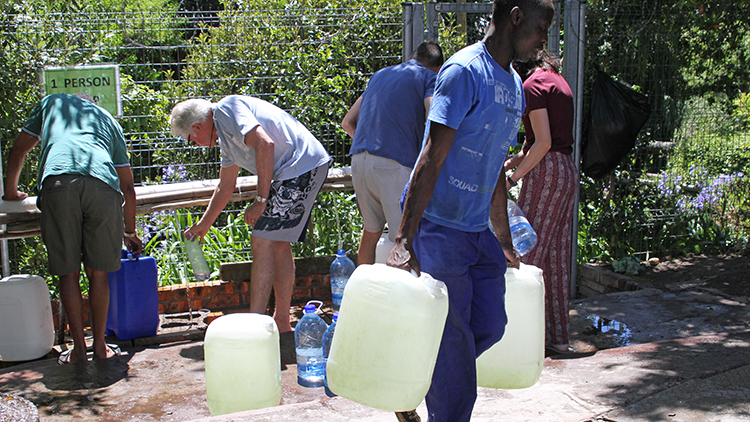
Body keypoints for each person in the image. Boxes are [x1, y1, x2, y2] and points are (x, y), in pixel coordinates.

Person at [386, 0, 555, 421]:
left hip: (477, 229)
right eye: (540, 29)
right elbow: (432, 154)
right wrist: (404, 237)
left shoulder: (514, 83)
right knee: (454, 341)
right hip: (440, 225)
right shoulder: (464, 72)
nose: (543, 41)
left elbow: (494, 163)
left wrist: (503, 238)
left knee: (490, 325)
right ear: (515, 17)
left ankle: (411, 378)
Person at [170, 96, 331, 333]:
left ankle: (256, 325)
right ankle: (281, 323)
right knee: (277, 243)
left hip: (302, 165)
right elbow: (225, 186)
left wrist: (261, 200)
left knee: (262, 239)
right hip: (295, 169)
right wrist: (203, 225)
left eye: (190, 140)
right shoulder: (225, 138)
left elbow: (264, 144)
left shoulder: (226, 109)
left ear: (197, 127)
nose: (194, 145)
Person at [3, 93, 142, 364]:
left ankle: (79, 350)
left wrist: (10, 193)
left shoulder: (53, 103)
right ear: (92, 105)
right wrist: (129, 232)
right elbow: (128, 187)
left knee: (68, 273)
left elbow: (19, 149)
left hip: (59, 182)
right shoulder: (108, 121)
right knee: (98, 274)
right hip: (103, 186)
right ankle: (100, 346)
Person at [341, 42, 444, 265]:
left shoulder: (379, 75)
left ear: (411, 57)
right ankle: (406, 299)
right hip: (394, 165)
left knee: (370, 232)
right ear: (437, 68)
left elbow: (347, 122)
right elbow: (432, 115)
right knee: (406, 240)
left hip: (359, 160)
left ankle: (363, 295)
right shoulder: (429, 77)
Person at [505, 49, 578, 355]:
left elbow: (543, 144)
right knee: (556, 259)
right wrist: (508, 165)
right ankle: (558, 338)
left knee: (526, 253)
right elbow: (538, 143)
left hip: (546, 172)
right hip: (567, 170)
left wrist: (512, 179)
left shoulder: (532, 86)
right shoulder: (557, 81)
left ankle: (518, 341)